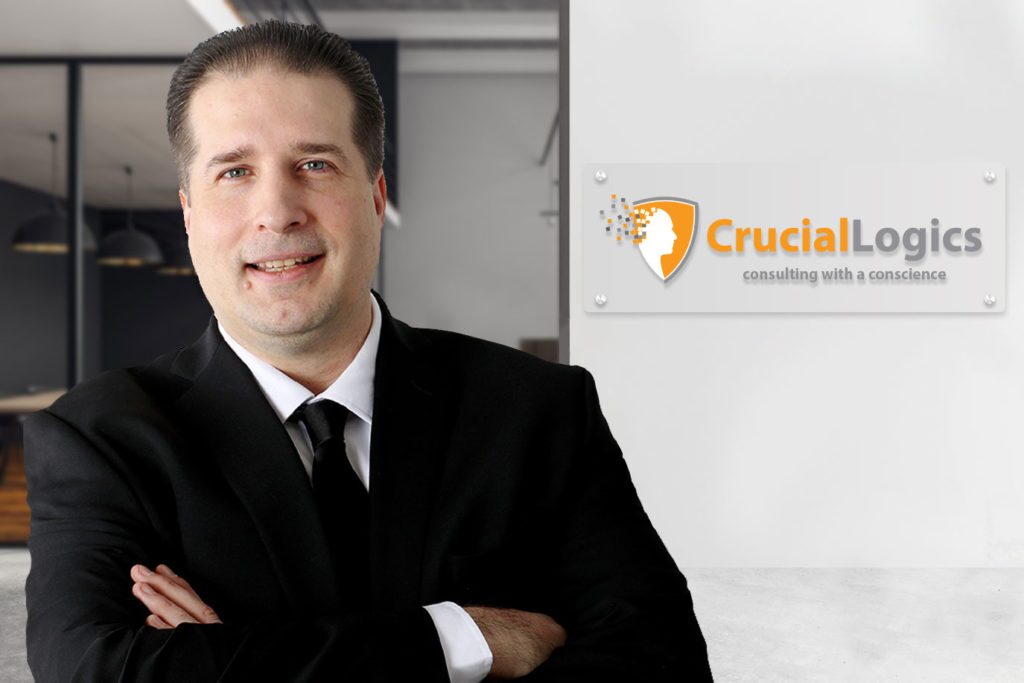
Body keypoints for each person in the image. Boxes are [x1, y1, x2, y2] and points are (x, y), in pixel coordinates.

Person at [24, 21, 711, 682]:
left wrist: (230, 657)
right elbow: (93, 669)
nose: (278, 210)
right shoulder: (99, 439)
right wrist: (463, 639)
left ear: (376, 195)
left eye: (314, 163)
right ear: (189, 215)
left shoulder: (540, 411)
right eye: (234, 172)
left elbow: (663, 662)